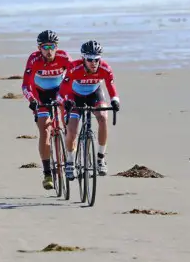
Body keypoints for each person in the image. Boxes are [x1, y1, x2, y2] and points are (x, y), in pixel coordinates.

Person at [59, 40, 120, 179]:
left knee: (103, 118)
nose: (94, 63)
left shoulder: (105, 68)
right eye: (90, 59)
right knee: (72, 130)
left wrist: (115, 100)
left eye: (97, 59)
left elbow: (111, 88)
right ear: (83, 59)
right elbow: (64, 89)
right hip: (75, 96)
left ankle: (100, 158)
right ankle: (69, 161)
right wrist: (67, 101)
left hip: (94, 94)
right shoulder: (74, 68)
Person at [21, 29, 73, 190]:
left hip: (59, 91)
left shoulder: (64, 57)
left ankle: (70, 160)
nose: (49, 50)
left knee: (70, 126)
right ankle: (47, 173)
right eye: (45, 47)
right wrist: (32, 100)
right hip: (40, 94)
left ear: (56, 47)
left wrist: (70, 99)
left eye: (52, 46)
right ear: (39, 48)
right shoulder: (34, 59)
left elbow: (74, 77)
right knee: (45, 130)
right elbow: (25, 85)